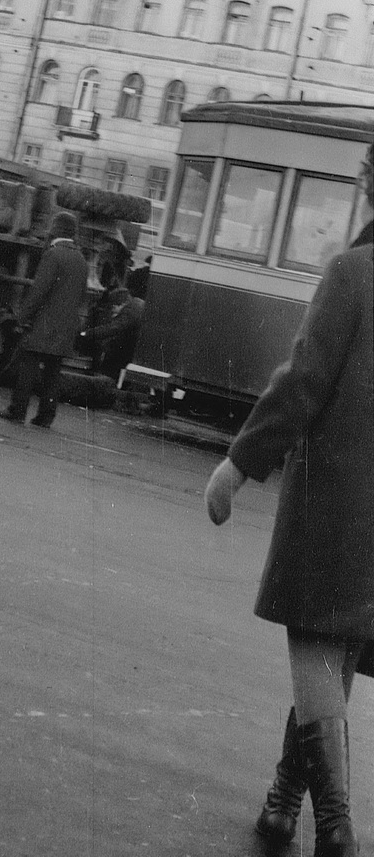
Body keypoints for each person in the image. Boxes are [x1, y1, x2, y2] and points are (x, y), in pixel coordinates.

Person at [204, 141, 374, 857]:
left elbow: (303, 380)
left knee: (313, 640)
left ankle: (334, 824)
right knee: (331, 657)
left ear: (370, 184)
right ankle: (282, 804)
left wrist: (239, 465)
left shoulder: (353, 272)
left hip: (334, 496)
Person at [0, 210, 89, 429]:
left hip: (44, 325)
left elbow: (39, 291)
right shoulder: (81, 259)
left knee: (27, 366)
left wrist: (21, 318)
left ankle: (17, 410)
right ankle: (45, 417)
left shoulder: (53, 255)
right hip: (66, 328)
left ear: (54, 230)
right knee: (52, 373)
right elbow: (82, 297)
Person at [77, 228, 144, 382]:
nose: (114, 311)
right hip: (132, 352)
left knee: (112, 359)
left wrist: (85, 335)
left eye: (115, 308)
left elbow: (113, 327)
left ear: (120, 303)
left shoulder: (131, 310)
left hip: (129, 352)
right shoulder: (135, 304)